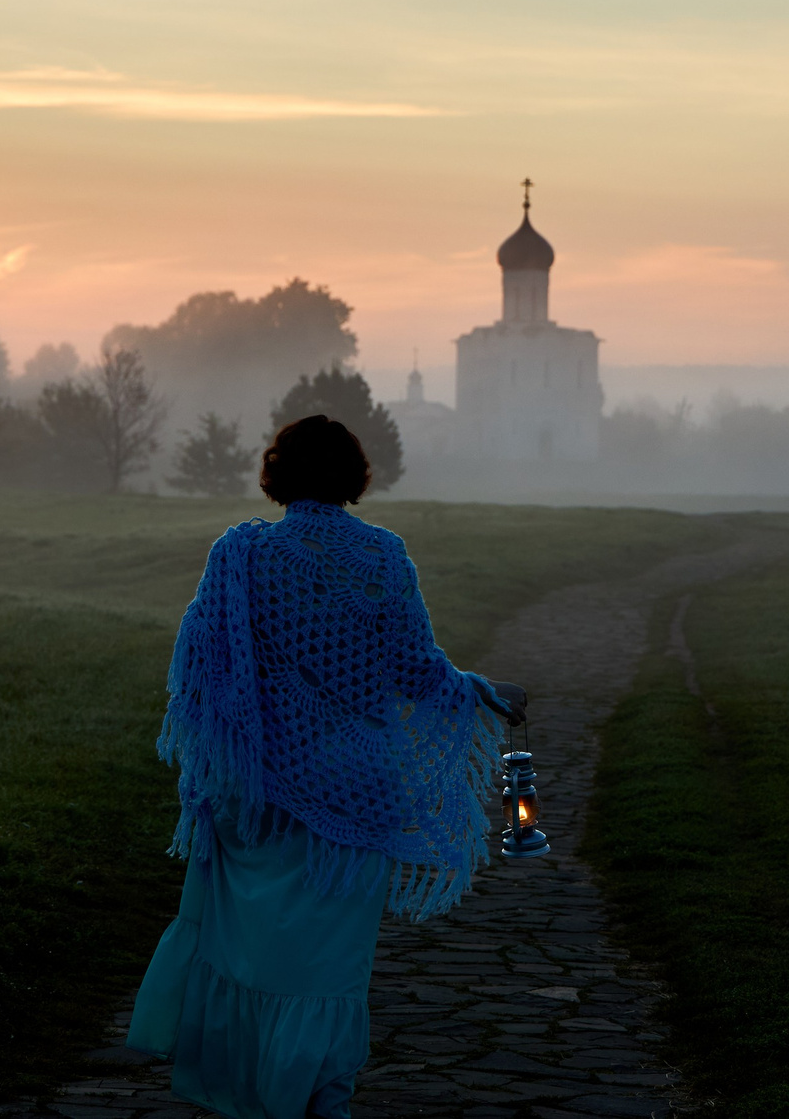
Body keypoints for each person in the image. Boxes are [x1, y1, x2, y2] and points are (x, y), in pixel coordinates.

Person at [127, 413, 528, 1119]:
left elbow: (199, 674)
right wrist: (482, 692)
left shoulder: (241, 556)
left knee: (254, 956)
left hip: (261, 795)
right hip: (353, 792)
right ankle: (321, 1097)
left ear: (278, 471)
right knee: (334, 969)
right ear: (354, 475)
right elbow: (415, 669)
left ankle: (256, 1088)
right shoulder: (382, 555)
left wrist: (216, 771)